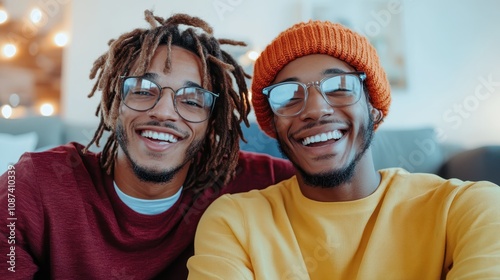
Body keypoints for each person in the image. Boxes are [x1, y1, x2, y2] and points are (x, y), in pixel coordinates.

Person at [187, 20, 500, 279]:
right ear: (274, 125)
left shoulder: (467, 208)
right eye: (288, 96)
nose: (315, 109)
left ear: (374, 109)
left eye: (339, 88)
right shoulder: (234, 221)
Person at [0, 10, 294, 279]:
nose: (164, 112)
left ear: (212, 121)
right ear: (116, 102)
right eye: (143, 90)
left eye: (191, 100)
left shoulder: (259, 184)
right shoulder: (33, 184)